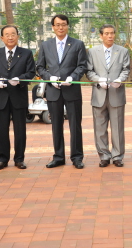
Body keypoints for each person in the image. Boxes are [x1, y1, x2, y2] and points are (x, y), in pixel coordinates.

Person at [36, 14, 87, 169]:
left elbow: (82, 65)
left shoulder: (77, 44)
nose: (60, 27)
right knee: (56, 125)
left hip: (72, 90)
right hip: (53, 91)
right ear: (53, 27)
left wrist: (73, 77)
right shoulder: (46, 45)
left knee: (75, 125)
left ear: (67, 26)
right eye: (57, 25)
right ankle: (58, 157)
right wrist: (49, 77)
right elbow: (39, 67)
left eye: (63, 24)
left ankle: (77, 157)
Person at [0, 25, 35, 170]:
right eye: (7, 34)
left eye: (13, 34)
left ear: (18, 36)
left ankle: (19, 159)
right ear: (2, 38)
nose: (10, 37)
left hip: (18, 97)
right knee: (1, 130)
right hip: (1, 98)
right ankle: (2, 159)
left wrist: (20, 79)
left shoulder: (26, 53)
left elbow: (31, 72)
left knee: (20, 130)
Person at [86, 24, 130, 167]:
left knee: (117, 128)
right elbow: (89, 71)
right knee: (99, 128)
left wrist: (120, 80)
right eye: (106, 33)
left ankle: (117, 156)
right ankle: (104, 155)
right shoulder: (92, 52)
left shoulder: (122, 51)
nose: (110, 36)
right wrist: (98, 79)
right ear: (101, 35)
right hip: (99, 94)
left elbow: (126, 69)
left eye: (112, 33)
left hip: (116, 94)